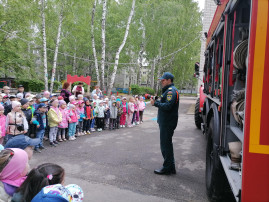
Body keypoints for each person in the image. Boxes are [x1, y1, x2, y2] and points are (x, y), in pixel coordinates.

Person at [151, 72, 179, 175]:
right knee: (167, 145)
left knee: (165, 145)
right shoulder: (168, 90)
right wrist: (157, 100)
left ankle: (167, 168)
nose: (162, 82)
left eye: (163, 80)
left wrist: (156, 104)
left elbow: (167, 106)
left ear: (169, 80)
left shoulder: (171, 91)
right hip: (166, 121)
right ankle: (171, 167)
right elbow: (165, 102)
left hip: (167, 122)